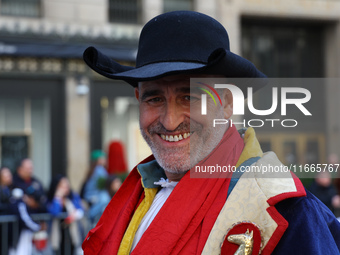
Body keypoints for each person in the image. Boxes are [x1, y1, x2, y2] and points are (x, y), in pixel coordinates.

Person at [82, 11, 340, 254]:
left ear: (227, 103)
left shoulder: (289, 211)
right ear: (139, 99)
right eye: (154, 99)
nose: (170, 122)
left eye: (189, 96)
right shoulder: (135, 195)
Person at [47, 174, 84, 255]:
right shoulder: (53, 199)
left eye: (66, 185)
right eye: (62, 185)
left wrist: (73, 216)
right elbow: (55, 212)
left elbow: (81, 210)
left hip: (72, 234)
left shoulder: (73, 196)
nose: (65, 187)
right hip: (58, 235)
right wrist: (57, 197)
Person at [81, 150, 111, 221]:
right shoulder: (99, 169)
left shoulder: (92, 170)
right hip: (95, 196)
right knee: (105, 198)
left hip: (89, 195)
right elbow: (107, 181)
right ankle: (90, 215)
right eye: (103, 158)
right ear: (99, 160)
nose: (105, 160)